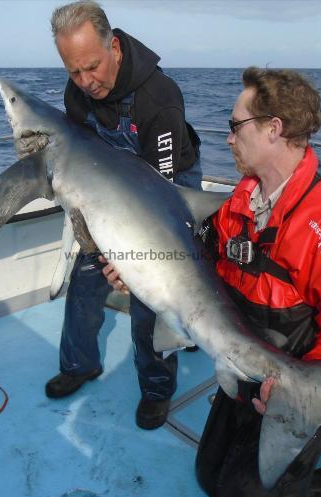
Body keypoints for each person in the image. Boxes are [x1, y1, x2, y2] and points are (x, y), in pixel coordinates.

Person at [102, 67, 321, 497]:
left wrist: (293, 395)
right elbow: (193, 276)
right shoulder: (240, 201)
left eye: (235, 126)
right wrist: (137, 270)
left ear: (274, 129)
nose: (228, 138)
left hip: (306, 384)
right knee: (209, 478)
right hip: (246, 367)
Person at [44, 1, 203, 431]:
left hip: (170, 188)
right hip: (112, 193)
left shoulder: (159, 98)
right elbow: (81, 159)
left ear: (113, 46)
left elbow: (163, 201)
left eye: (92, 67)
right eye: (73, 71)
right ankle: (80, 364)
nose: (85, 82)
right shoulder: (75, 91)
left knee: (153, 291)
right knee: (86, 276)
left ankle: (156, 388)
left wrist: (133, 264)